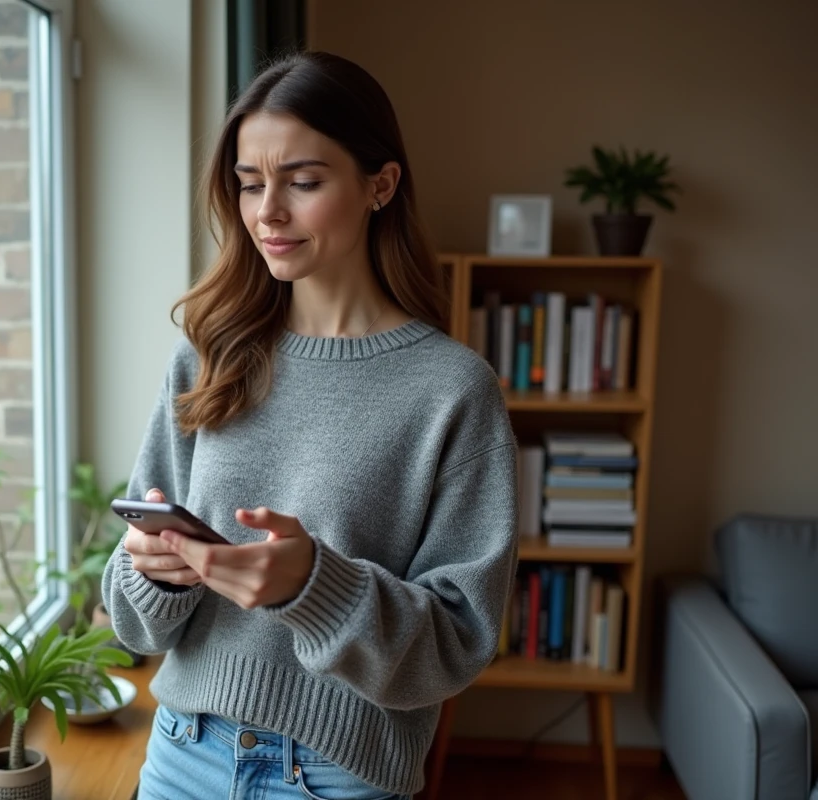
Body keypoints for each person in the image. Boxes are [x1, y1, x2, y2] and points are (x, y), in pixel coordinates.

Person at [100, 50, 518, 800]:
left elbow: (458, 644)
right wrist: (152, 570)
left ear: (380, 185)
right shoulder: (206, 357)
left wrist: (316, 587)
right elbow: (133, 624)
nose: (268, 212)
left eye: (303, 181)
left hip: (337, 774)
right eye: (250, 183)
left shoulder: (453, 391)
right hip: (182, 755)